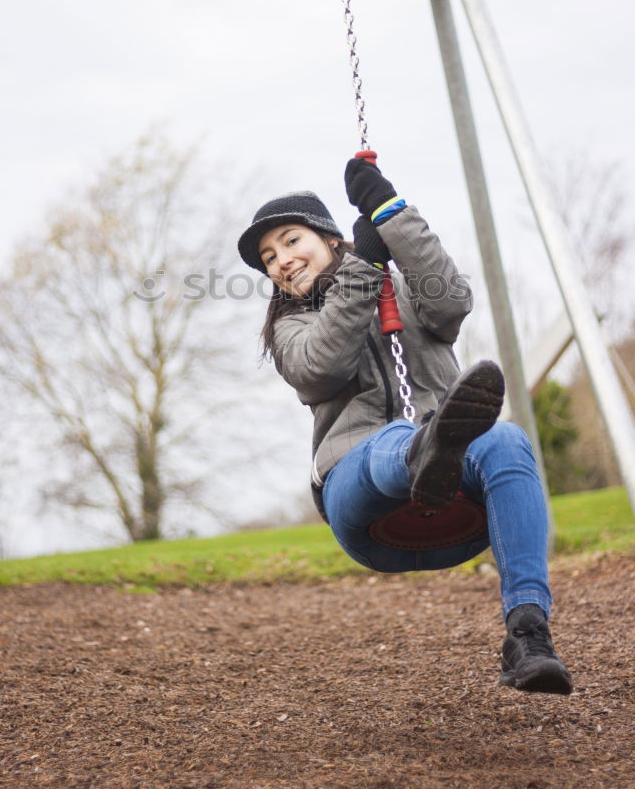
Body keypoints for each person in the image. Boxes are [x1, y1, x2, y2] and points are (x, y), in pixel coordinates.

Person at [238, 158, 573, 695]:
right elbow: (323, 366)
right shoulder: (290, 329)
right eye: (268, 258)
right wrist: (363, 269)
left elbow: (453, 302)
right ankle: (426, 449)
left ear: (329, 237)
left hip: (456, 519)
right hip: (363, 508)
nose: (280, 261)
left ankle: (528, 634)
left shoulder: (405, 291)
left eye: (290, 240)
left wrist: (388, 211)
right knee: (389, 442)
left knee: (508, 439)